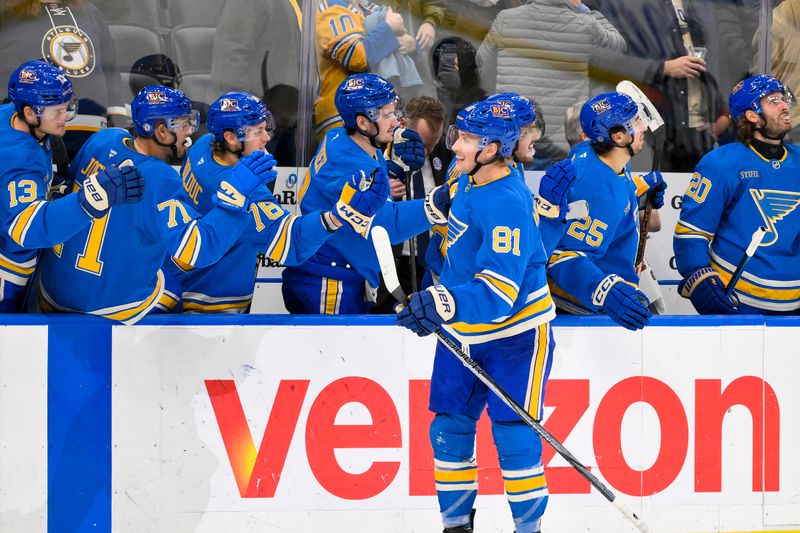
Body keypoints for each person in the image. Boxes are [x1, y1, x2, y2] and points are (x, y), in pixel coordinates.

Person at [396, 98, 559, 533]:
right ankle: (456, 527)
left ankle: (528, 530)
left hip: (516, 334)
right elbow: (431, 229)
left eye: (466, 139)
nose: (454, 146)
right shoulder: (464, 177)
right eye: (458, 135)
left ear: (491, 149)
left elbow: (499, 293)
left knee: (513, 434)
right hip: (464, 331)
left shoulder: (509, 201)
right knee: (448, 430)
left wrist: (442, 302)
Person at [34, 86, 275, 323]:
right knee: (173, 289)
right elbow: (198, 249)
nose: (190, 131)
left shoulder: (103, 139)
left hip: (51, 289)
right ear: (161, 132)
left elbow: (71, 189)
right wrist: (236, 197)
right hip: (106, 307)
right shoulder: (161, 178)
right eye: (182, 124)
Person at [173, 91, 388, 313]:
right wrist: (338, 215)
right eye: (257, 131)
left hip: (181, 277)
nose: (266, 138)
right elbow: (292, 243)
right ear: (231, 138)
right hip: (210, 300)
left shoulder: (203, 146)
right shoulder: (244, 193)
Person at [282, 72, 450, 314]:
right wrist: (435, 205)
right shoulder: (356, 166)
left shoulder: (341, 138)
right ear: (362, 122)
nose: (395, 122)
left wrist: (393, 167)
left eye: (394, 112)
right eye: (387, 115)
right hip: (330, 281)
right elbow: (387, 226)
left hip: (331, 269)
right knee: (333, 341)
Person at [0, 59, 141, 312]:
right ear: (30, 113)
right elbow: (28, 229)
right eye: (56, 111)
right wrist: (90, 200)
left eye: (66, 106)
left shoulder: (11, 113)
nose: (65, 116)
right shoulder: (20, 160)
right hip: (6, 268)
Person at [674, 75, 800, 315]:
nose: (784, 105)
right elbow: (692, 232)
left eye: (783, 99)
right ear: (752, 116)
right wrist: (699, 276)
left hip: (795, 300)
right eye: (773, 101)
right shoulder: (721, 164)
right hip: (740, 298)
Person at [547, 92, 665, 330]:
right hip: (582, 306)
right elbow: (563, 256)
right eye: (637, 122)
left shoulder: (606, 156)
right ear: (619, 136)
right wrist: (606, 292)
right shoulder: (592, 186)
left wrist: (638, 190)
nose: (644, 127)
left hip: (609, 290)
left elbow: (612, 195)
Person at [588, 0, 729, 172]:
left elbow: (708, 59)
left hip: (699, 132)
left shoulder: (696, 5)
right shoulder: (624, 4)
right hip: (650, 128)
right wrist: (662, 68)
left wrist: (721, 111)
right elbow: (604, 60)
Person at [476, 0, 625, 159]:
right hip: (562, 143)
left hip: (514, 137)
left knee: (513, 173)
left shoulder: (506, 19)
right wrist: (583, 9)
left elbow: (483, 63)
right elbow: (618, 46)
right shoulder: (585, 24)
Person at [0, 0, 127, 158]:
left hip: (94, 148)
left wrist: (119, 135)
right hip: (28, 148)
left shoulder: (90, 13)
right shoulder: (7, 14)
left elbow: (111, 78)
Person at [314, 0, 410, 137]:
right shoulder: (332, 8)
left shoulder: (369, 7)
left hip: (376, 113)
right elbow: (355, 56)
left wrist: (412, 46)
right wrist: (390, 27)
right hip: (341, 115)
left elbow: (404, 48)